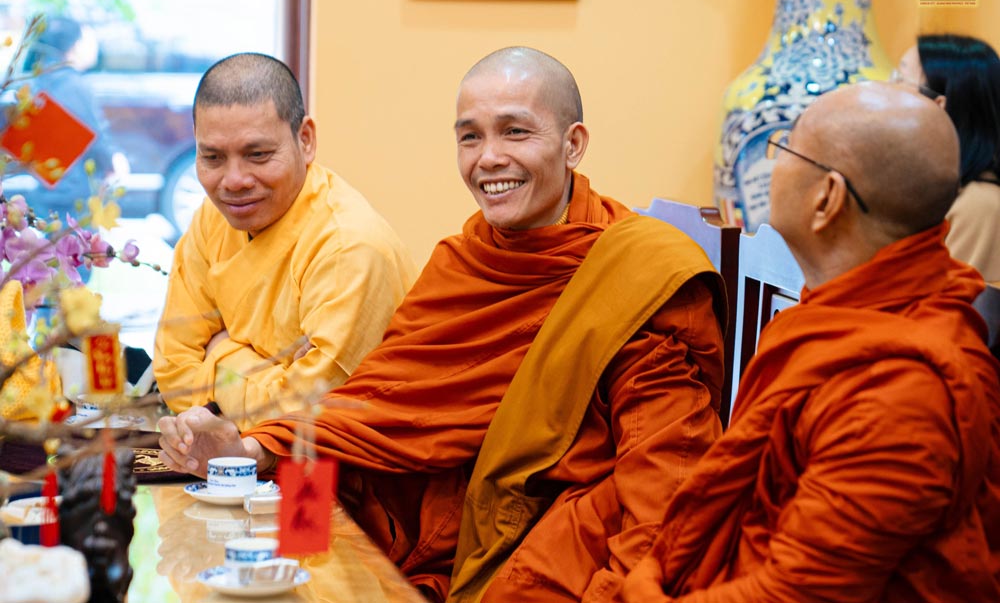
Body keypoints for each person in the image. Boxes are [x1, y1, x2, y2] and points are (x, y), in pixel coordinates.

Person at [158, 46, 728, 602]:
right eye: (470, 136)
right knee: (243, 565)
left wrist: (223, 362)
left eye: (516, 132)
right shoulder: (464, 259)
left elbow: (669, 472)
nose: (489, 158)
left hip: (538, 523)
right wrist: (254, 451)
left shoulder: (636, 274)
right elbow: (377, 407)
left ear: (573, 144)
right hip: (426, 517)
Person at [603, 82, 1000, 603]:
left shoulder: (901, 395)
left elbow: (797, 593)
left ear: (827, 198)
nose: (773, 165)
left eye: (786, 147)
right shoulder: (842, 309)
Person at [153, 53, 416, 429]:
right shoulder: (214, 219)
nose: (234, 181)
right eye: (212, 157)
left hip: (345, 475)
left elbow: (302, 416)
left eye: (257, 155)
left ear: (305, 140)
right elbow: (172, 370)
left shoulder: (348, 247)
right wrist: (267, 377)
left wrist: (221, 356)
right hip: (240, 469)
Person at [894, 34, 1000, 282]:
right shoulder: (919, 185)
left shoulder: (978, 206)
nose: (887, 90)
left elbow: (944, 311)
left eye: (900, 80)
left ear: (938, 105)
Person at [16, 15, 116, 220]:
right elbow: (96, 141)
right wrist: (111, 166)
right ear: (75, 47)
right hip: (71, 196)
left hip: (37, 190)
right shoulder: (73, 86)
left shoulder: (31, 82)